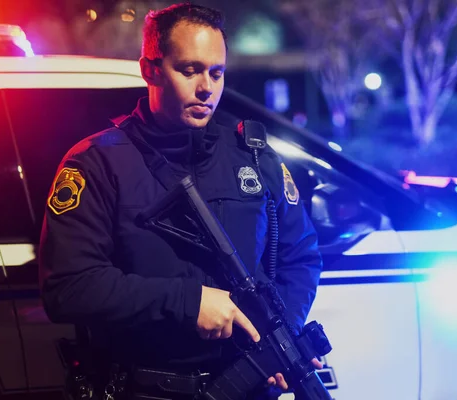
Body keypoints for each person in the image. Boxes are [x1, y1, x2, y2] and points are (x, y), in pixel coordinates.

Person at [39, 3, 323, 399]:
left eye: (217, 72)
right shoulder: (97, 163)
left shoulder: (253, 156)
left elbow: (301, 255)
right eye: (189, 70)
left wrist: (278, 341)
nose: (206, 87)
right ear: (149, 69)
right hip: (145, 388)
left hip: (248, 386)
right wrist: (188, 303)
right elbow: (69, 288)